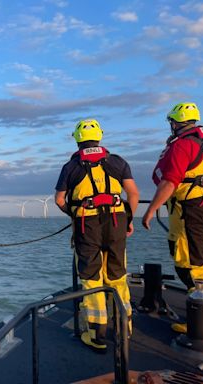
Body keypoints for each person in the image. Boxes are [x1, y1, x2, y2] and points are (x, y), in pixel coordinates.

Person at [55, 119, 139, 353]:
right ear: (100, 137)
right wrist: (128, 220)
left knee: (91, 277)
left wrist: (75, 213)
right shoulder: (117, 162)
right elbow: (133, 193)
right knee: (117, 275)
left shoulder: (71, 166)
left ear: (77, 139)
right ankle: (124, 328)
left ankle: (96, 335)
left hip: (86, 224)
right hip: (116, 222)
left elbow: (59, 200)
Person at [142, 102, 203, 333]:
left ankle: (201, 326)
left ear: (176, 123)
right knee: (202, 263)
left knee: (190, 265)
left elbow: (169, 181)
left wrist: (151, 209)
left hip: (190, 211)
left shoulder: (182, 146)